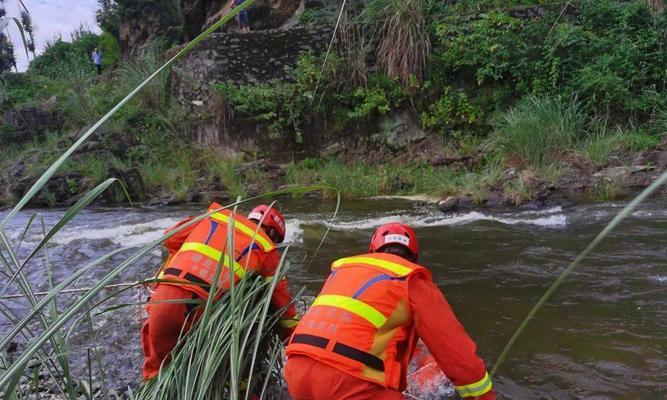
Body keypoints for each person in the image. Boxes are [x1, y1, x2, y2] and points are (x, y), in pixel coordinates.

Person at [284, 222, 496, 400]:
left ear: (373, 251)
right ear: (413, 256)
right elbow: (457, 352)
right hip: (347, 383)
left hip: (296, 372)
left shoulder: (342, 272)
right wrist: (485, 396)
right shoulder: (411, 279)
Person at [141, 203, 298, 380]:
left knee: (156, 374)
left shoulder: (213, 217)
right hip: (205, 311)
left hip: (162, 301)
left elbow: (169, 237)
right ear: (272, 234)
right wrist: (295, 345)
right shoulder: (266, 248)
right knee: (234, 372)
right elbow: (283, 307)